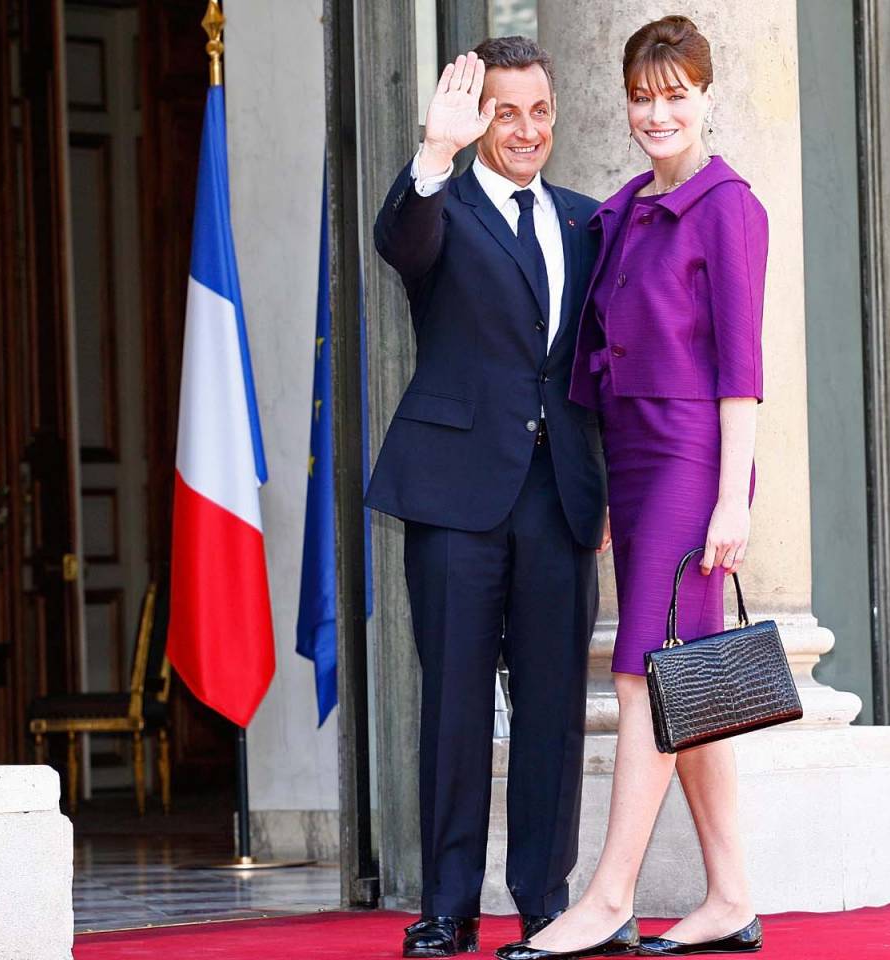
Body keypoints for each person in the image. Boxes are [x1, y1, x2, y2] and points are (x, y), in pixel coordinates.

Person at [495, 16, 766, 960]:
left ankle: (610, 895)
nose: (658, 113)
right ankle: (731, 895)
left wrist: (733, 499)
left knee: (645, 669)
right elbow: (600, 361)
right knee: (687, 676)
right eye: (642, 97)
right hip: (637, 466)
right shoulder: (621, 211)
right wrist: (605, 486)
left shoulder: (729, 207)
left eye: (675, 95)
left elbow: (742, 373)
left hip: (696, 464)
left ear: (706, 96)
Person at [368, 36, 608, 960]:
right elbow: (401, 242)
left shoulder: (588, 223)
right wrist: (434, 152)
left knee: (552, 706)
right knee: (456, 703)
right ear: (477, 123)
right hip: (455, 497)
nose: (526, 130)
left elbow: (599, 368)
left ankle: (546, 903)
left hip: (559, 499)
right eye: (506, 112)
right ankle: (448, 907)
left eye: (539, 111)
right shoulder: (441, 207)